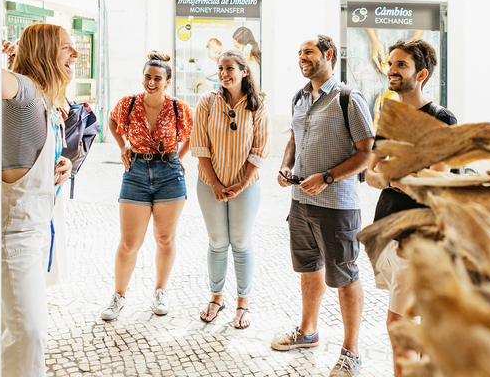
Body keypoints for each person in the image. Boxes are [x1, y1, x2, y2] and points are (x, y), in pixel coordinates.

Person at [272, 35, 374, 377]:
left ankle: (351, 351)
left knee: (345, 276)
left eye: (309, 52)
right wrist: (287, 166)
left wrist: (328, 177)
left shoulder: (348, 99)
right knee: (309, 268)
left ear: (328, 55)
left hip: (337, 206)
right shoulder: (299, 98)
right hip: (299, 202)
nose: (302, 58)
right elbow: (294, 140)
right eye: (299, 53)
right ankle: (308, 331)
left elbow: (366, 153)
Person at [365, 38, 457, 377]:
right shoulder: (390, 118)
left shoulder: (441, 119)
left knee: (397, 324)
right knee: (411, 320)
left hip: (418, 235)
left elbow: (437, 179)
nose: (391, 70)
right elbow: (369, 174)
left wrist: (394, 173)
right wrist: (400, 176)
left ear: (421, 74)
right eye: (391, 63)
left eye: (401, 65)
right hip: (387, 228)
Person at [1, 23, 75, 376]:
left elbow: (29, 150)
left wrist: (61, 159)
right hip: (14, 235)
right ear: (45, 53)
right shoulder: (26, 90)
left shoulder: (44, 99)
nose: (74, 53)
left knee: (13, 331)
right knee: (28, 334)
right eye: (65, 47)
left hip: (33, 231)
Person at [102, 51, 194, 321]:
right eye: (147, 77)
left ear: (167, 81)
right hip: (136, 171)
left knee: (165, 238)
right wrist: (123, 146)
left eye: (157, 78)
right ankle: (118, 296)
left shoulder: (179, 108)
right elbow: (112, 121)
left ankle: (160, 291)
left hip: (169, 173)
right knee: (130, 243)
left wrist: (178, 158)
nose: (151, 82)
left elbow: (193, 134)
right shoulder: (128, 104)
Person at [190, 49, 271, 329]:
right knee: (217, 243)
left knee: (241, 243)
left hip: (246, 186)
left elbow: (260, 149)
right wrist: (214, 183)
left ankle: (243, 303)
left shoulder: (257, 105)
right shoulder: (207, 101)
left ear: (244, 71)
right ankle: (216, 298)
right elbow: (199, 145)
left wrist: (242, 183)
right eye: (220, 68)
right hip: (209, 183)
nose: (224, 74)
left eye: (229, 68)